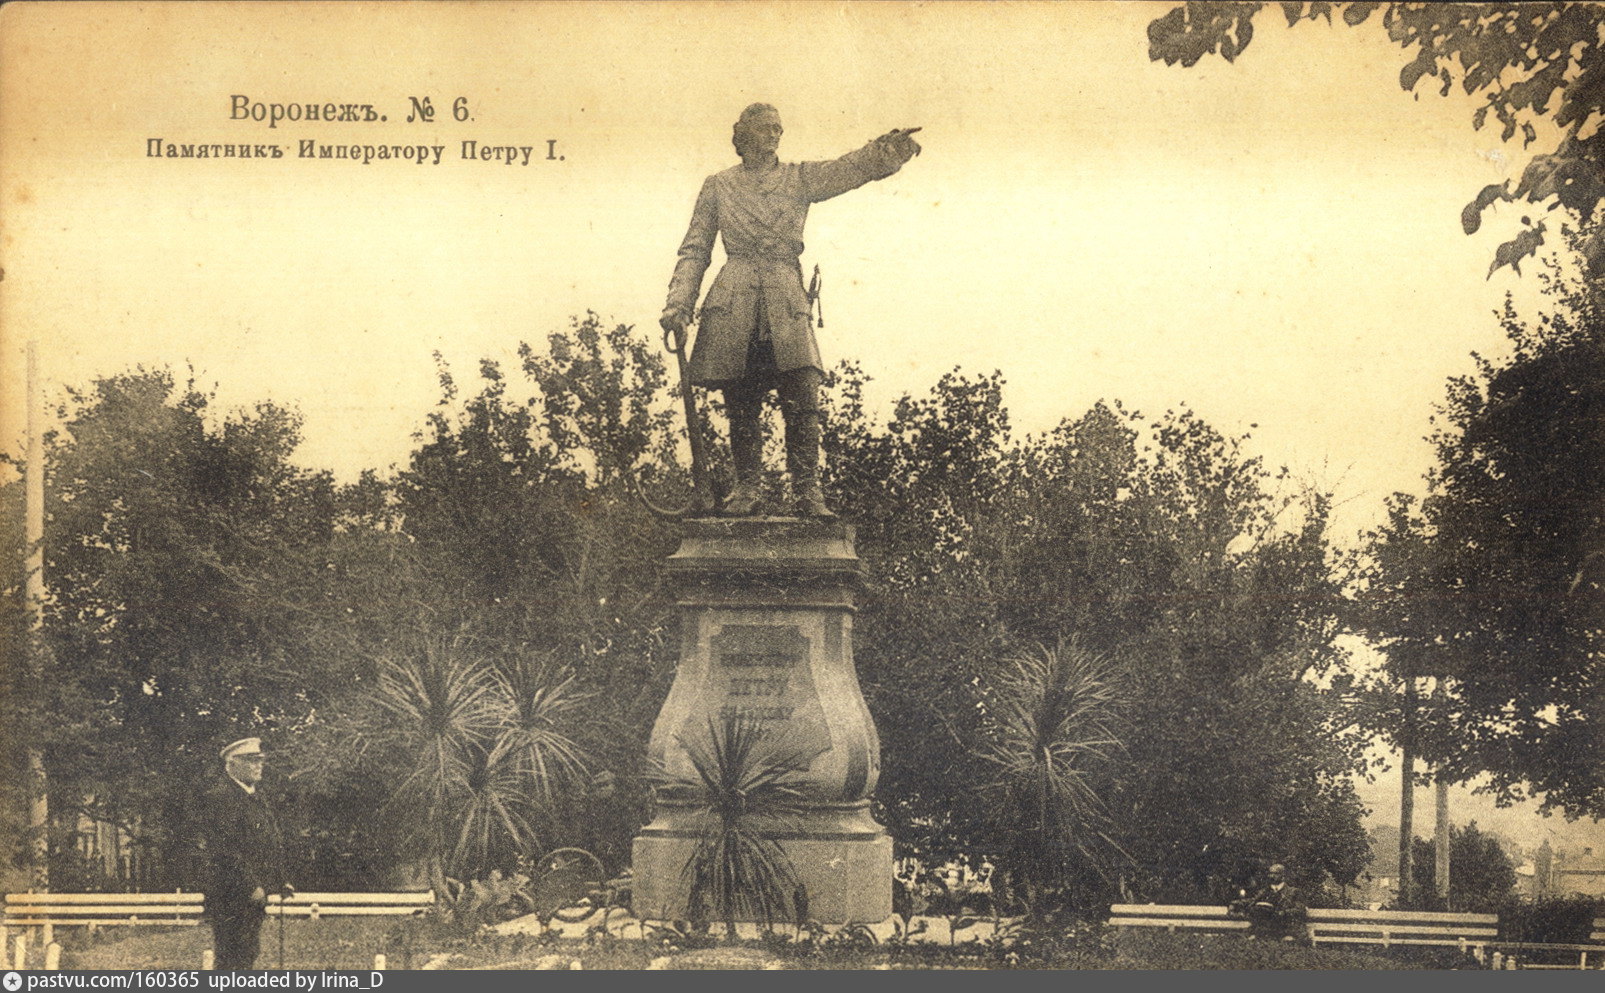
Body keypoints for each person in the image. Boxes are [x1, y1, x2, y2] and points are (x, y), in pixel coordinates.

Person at [660, 103, 921, 517]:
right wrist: (679, 304)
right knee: (741, 398)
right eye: (765, 129)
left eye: (778, 130)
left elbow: (845, 169)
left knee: (803, 392)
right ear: (743, 135)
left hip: (785, 294)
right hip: (734, 297)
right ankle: (747, 488)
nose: (774, 136)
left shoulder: (798, 178)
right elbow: (695, 249)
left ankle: (808, 491)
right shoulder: (718, 186)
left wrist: (885, 150)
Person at [197, 737, 291, 969]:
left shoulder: (255, 797)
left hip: (254, 893)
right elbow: (225, 850)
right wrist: (250, 885)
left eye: (260, 760)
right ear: (232, 764)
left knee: (248, 952)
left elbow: (267, 844)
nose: (259, 765)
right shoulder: (221, 797)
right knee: (232, 956)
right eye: (251, 761)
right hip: (232, 893)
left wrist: (279, 880)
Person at [1230, 862, 1308, 942]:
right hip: (1265, 930)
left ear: (1283, 875)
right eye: (1270, 873)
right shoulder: (1264, 891)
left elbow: (1300, 909)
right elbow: (1252, 901)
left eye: (1275, 874)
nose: (1271, 876)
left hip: (1286, 929)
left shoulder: (1293, 892)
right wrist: (1234, 904)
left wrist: (1283, 913)